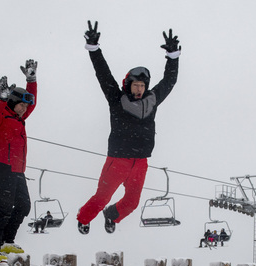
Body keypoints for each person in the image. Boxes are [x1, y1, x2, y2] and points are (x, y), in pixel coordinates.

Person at [76, 20, 180, 235]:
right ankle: (84, 218)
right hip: (118, 159)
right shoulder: (117, 100)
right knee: (102, 197)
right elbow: (103, 76)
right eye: (136, 85)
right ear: (128, 85)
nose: (140, 89)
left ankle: (111, 215)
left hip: (140, 161)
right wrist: (94, 49)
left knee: (132, 203)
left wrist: (172, 57)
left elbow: (169, 81)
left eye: (142, 85)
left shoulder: (152, 100)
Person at [0, 59, 38, 262]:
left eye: (25, 106)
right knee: (3, 209)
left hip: (17, 169)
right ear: (13, 103)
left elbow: (33, 103)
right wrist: (1, 97)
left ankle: (6, 241)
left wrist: (32, 80)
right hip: (2, 166)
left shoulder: (19, 118)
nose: (24, 109)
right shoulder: (0, 117)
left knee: (23, 206)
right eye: (21, 105)